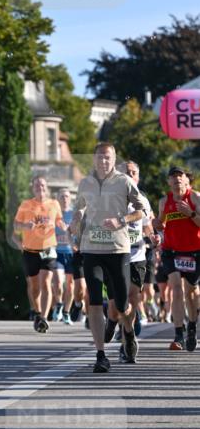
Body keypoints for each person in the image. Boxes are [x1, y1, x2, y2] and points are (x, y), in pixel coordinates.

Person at [72, 143, 145, 373]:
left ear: (114, 159)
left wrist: (121, 220)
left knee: (122, 304)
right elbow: (80, 208)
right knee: (93, 299)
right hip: (92, 249)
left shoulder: (124, 181)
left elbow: (141, 210)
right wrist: (75, 222)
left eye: (108, 158)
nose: (104, 161)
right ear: (94, 159)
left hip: (117, 249)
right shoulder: (85, 182)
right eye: (100, 157)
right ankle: (101, 355)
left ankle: (129, 333)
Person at [105, 161, 158, 362]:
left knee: (132, 299)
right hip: (114, 255)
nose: (130, 175)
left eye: (134, 172)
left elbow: (147, 226)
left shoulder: (143, 200)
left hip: (137, 256)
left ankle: (127, 337)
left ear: (138, 177)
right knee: (115, 307)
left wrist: (153, 236)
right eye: (126, 172)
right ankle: (111, 321)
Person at [152, 166, 200, 351]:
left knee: (191, 292)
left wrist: (191, 214)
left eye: (180, 176)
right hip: (171, 251)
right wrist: (157, 225)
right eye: (173, 177)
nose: (177, 179)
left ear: (185, 179)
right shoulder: (164, 201)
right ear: (168, 182)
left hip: (194, 251)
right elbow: (161, 224)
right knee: (176, 289)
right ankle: (179, 333)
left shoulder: (195, 197)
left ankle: (192, 327)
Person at [13, 176, 66, 333]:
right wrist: (25, 225)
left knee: (46, 283)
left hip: (48, 248)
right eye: (37, 185)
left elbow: (59, 221)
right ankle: (37, 312)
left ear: (47, 188)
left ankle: (43, 317)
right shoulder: (26, 205)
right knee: (35, 287)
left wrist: (62, 225)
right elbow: (16, 225)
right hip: (30, 250)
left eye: (42, 185)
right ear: (33, 188)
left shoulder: (54, 204)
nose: (40, 188)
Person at [50, 189, 75, 323]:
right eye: (62, 197)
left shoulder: (74, 214)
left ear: (70, 199)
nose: (64, 199)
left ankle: (66, 312)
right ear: (58, 199)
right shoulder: (54, 214)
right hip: (57, 252)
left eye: (66, 196)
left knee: (70, 285)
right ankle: (59, 304)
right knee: (58, 281)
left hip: (71, 252)